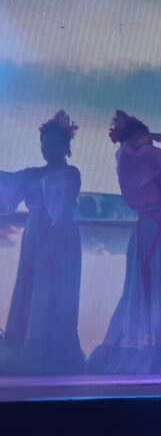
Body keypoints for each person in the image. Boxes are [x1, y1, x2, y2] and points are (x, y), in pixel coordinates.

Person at [87, 111, 161, 374]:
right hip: (157, 229)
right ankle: (159, 344)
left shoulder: (139, 159)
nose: (148, 140)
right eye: (143, 136)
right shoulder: (139, 158)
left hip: (157, 228)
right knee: (160, 287)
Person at [0, 111, 85, 375]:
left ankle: (50, 353)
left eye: (52, 144)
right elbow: (8, 183)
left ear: (64, 146)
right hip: (36, 234)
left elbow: (59, 199)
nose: (47, 149)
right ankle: (25, 351)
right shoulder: (34, 174)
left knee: (55, 289)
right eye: (44, 144)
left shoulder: (70, 173)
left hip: (60, 235)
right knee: (31, 286)